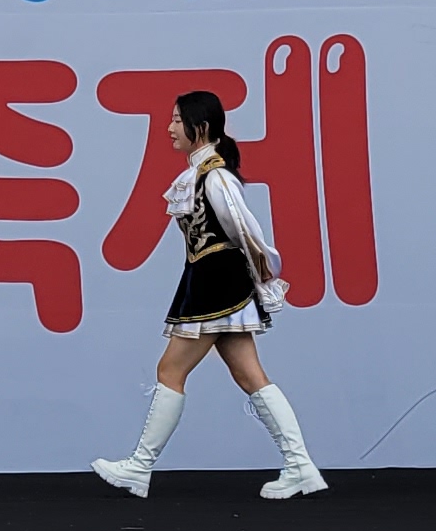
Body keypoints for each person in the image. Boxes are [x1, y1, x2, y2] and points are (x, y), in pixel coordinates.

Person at [92, 90, 328, 501]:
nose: (169, 128)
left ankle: (139, 468)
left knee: (170, 370)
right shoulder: (202, 175)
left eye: (176, 120)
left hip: (215, 283)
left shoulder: (215, 177)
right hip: (213, 282)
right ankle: (301, 467)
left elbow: (246, 231)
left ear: (199, 127)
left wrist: (265, 277)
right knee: (250, 375)